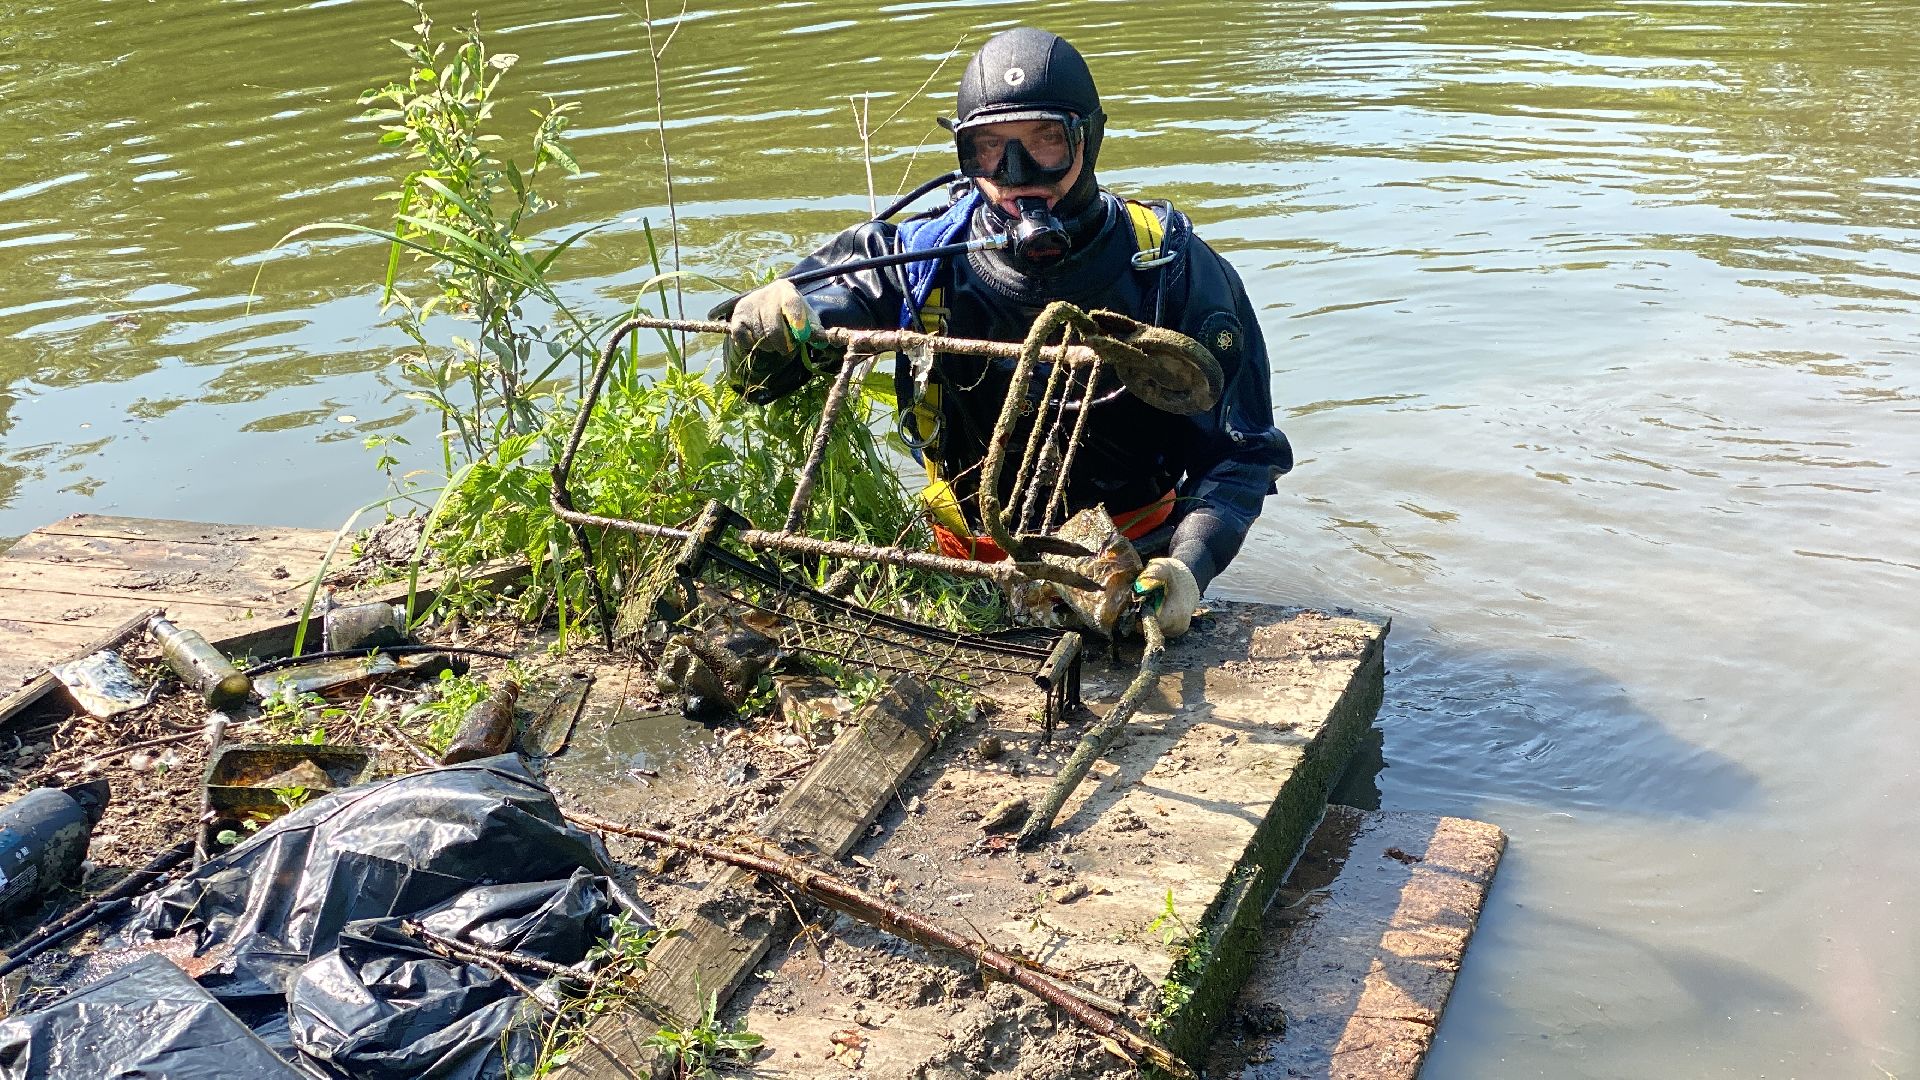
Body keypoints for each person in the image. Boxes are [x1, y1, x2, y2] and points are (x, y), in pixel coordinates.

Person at [722, 27, 1291, 637]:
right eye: (988, 149)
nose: (1016, 173)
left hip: (1128, 570)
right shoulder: (919, 258)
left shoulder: (1171, 270)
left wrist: (1187, 567)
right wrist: (769, 326)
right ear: (964, 154)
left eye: (1045, 142)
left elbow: (1243, 454)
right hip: (963, 564)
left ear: (1088, 139)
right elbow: (761, 382)